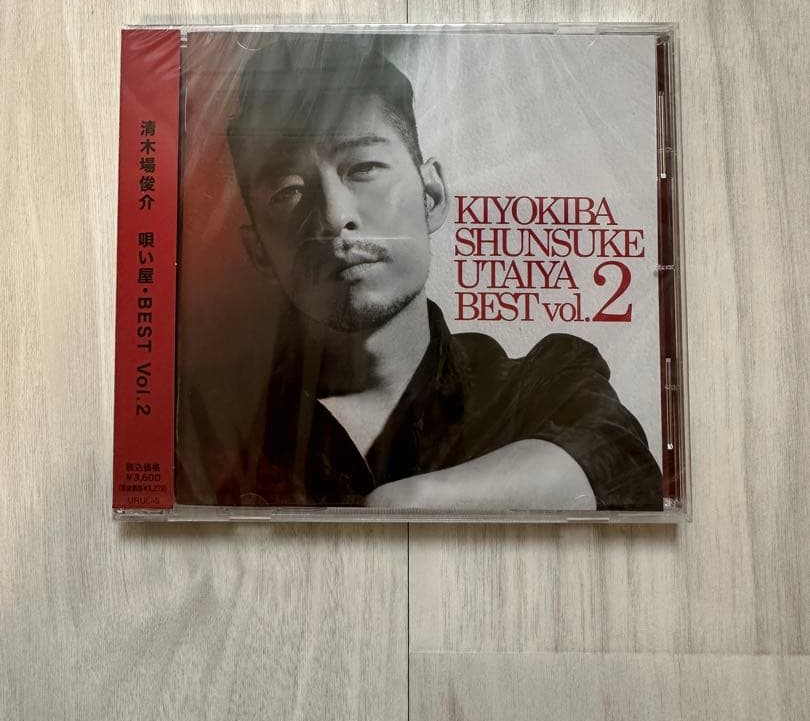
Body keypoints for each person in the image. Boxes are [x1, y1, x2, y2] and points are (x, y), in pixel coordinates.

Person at [177, 33, 663, 511]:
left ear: (431, 196)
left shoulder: (537, 384)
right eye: (288, 191)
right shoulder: (212, 428)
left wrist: (405, 503)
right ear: (259, 251)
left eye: (363, 168)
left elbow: (623, 466)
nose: (334, 217)